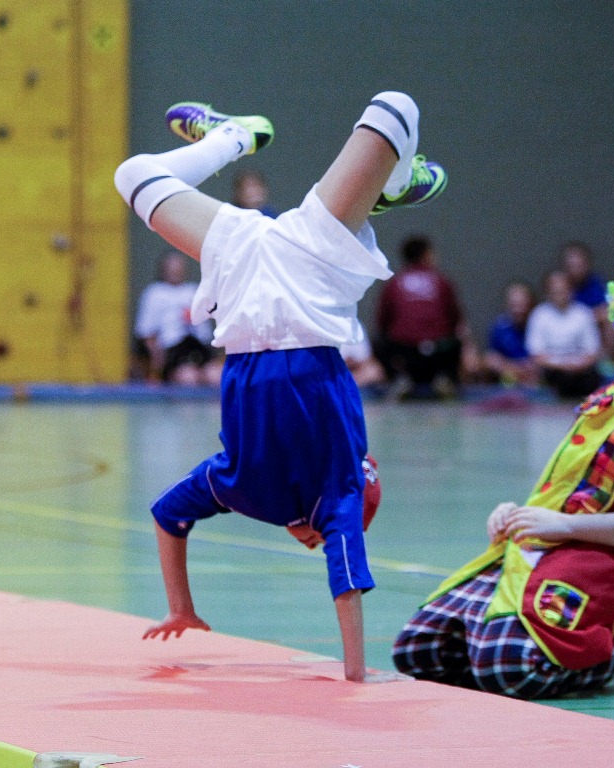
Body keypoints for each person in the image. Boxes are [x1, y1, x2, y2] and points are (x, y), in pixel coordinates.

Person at [113, 90, 447, 683]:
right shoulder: (337, 488)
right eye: (322, 539)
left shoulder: (246, 488)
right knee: (394, 108)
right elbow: (347, 588)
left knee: (133, 175)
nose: (312, 542)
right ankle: (392, 182)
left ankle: (233, 136)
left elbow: (169, 516)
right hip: (312, 264)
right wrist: (355, 673)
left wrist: (181, 607)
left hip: (242, 266)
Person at [393, 254, 614, 699]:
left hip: (600, 561)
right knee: (420, 651)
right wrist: (518, 513)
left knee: (509, 670)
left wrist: (566, 527)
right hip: (545, 545)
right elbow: (570, 484)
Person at [374, 235, 469, 398]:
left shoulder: (394, 283)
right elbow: (455, 318)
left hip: (404, 352)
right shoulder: (442, 281)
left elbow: (382, 321)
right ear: (427, 254)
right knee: (457, 340)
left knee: (379, 342)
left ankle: (399, 378)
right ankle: (445, 377)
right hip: (440, 351)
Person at [134, 249, 222, 385]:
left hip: (198, 347)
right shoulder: (155, 293)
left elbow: (206, 333)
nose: (175, 271)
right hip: (173, 352)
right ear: (164, 269)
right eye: (172, 267)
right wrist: (157, 365)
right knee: (189, 377)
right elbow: (147, 334)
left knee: (216, 375)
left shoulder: (193, 291)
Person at [525, 270, 603, 398]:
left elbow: (593, 352)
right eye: (555, 291)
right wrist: (563, 366)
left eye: (563, 290)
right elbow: (536, 355)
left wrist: (576, 366)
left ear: (571, 290)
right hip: (552, 372)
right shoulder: (539, 315)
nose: (560, 295)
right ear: (547, 292)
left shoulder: (584, 314)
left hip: (582, 372)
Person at [559, 240, 614, 360]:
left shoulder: (594, 282)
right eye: (572, 265)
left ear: (587, 264)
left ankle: (604, 359)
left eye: (579, 264)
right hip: (562, 322)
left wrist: (584, 317)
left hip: (588, 324)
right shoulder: (560, 283)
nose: (576, 268)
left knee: (612, 317)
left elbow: (606, 308)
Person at [482, 281, 538, 385]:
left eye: (522, 305)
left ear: (531, 304)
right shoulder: (500, 327)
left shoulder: (540, 323)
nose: (518, 310)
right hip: (509, 374)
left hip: (537, 375)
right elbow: (492, 358)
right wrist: (515, 368)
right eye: (514, 305)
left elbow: (542, 359)